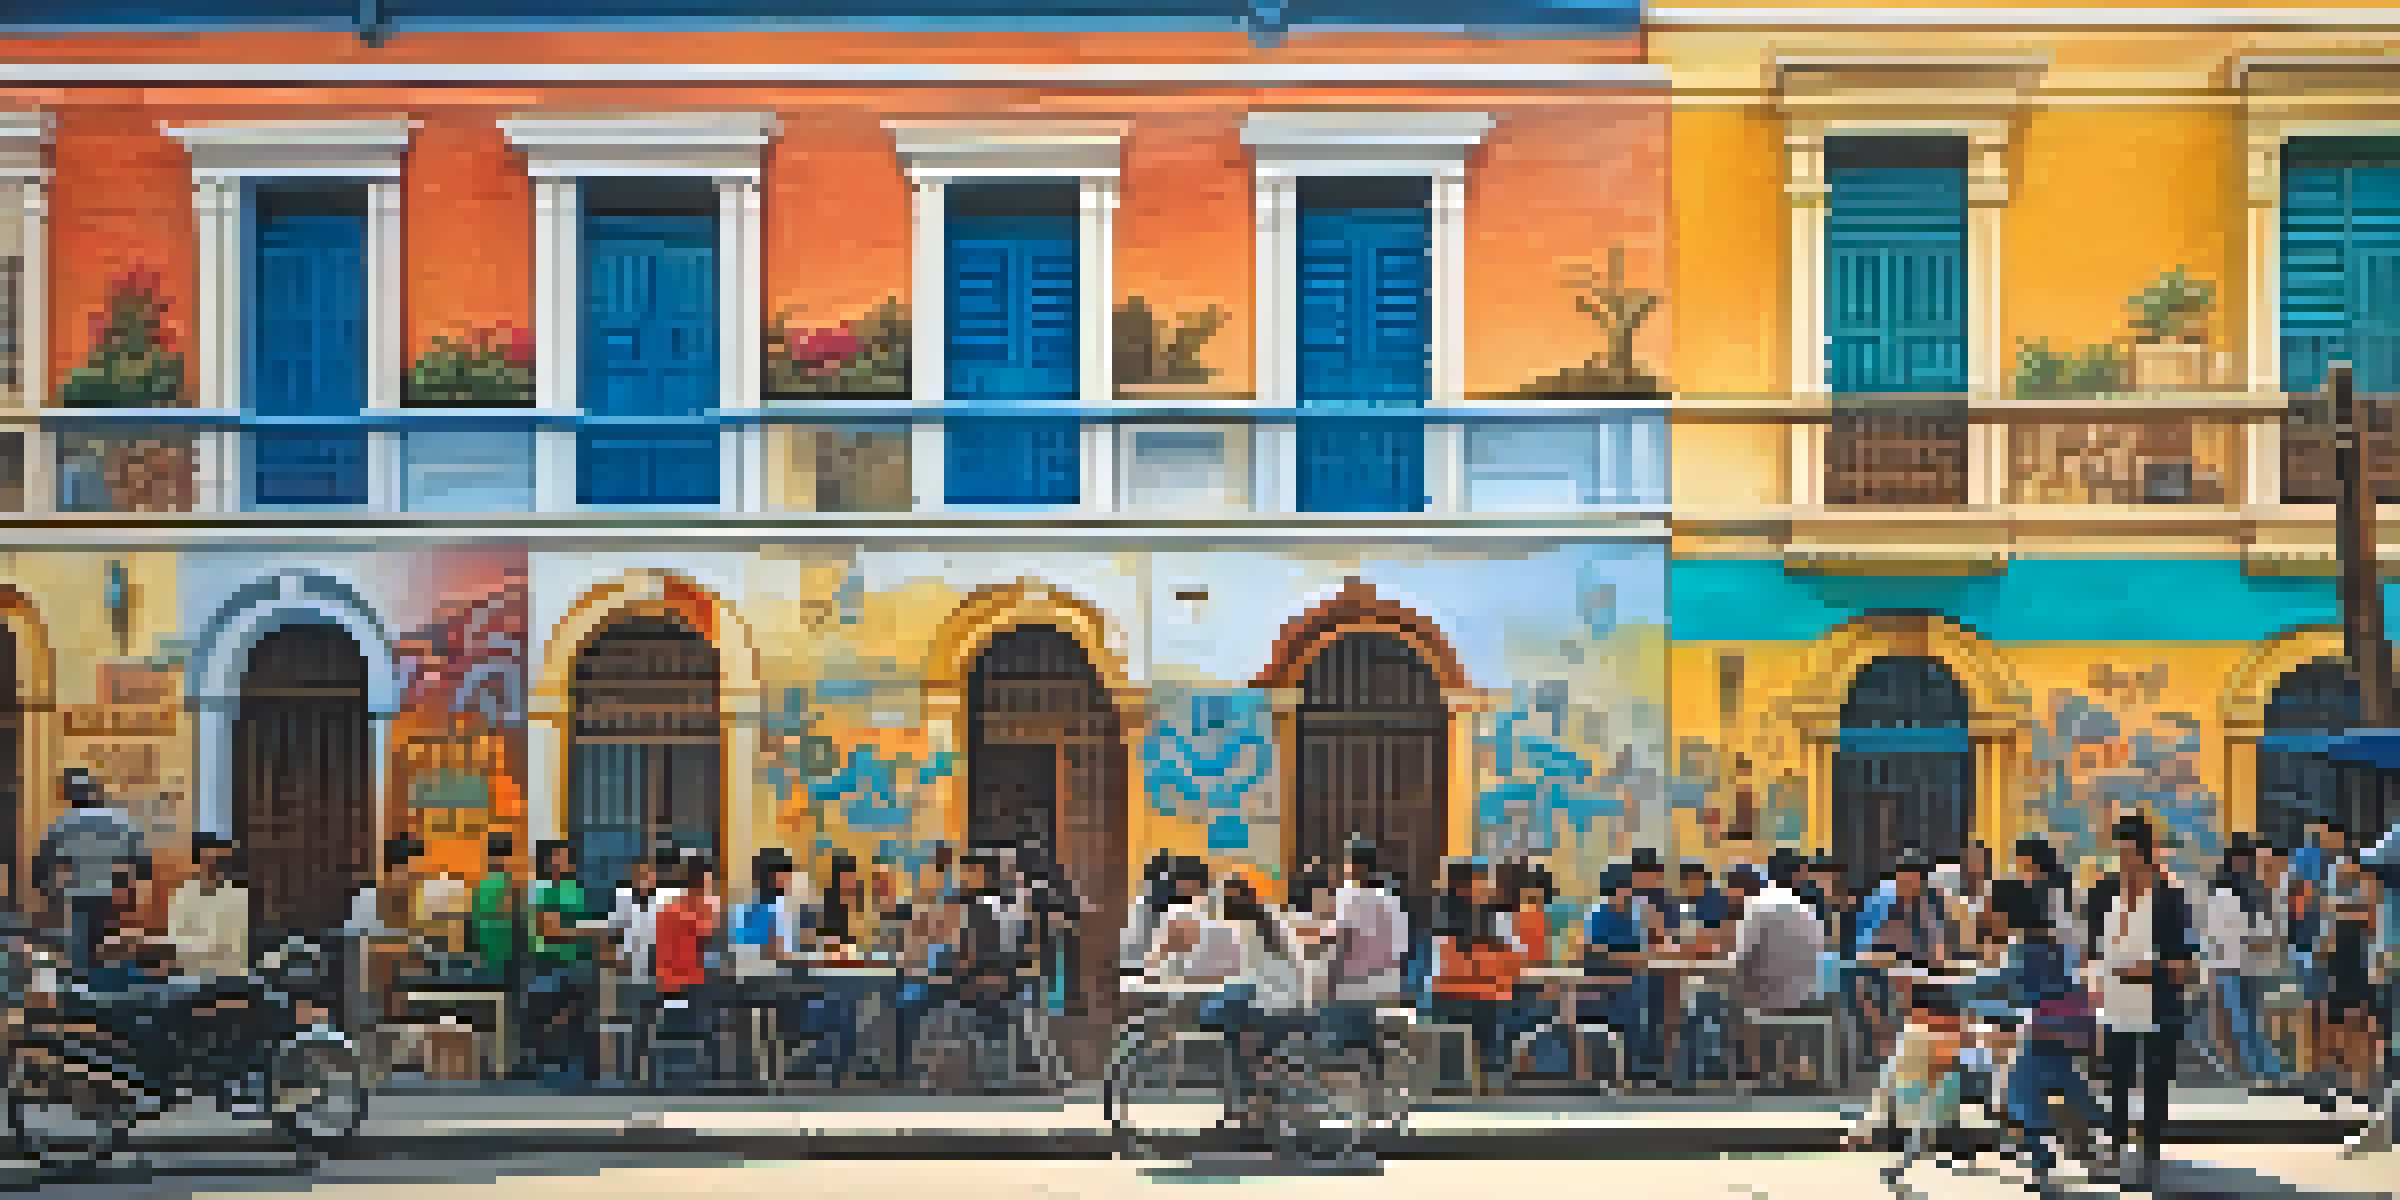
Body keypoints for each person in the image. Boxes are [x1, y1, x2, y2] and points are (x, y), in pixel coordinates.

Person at [2083, 813, 2200, 1191]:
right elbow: (2091, 949)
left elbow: (2185, 959)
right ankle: (2117, 1144)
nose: (2126, 862)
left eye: (2133, 854)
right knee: (2116, 1078)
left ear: (2148, 854)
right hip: (2114, 1001)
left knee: (2155, 1078)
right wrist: (2093, 989)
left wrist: (2151, 968)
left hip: (2158, 1000)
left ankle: (2150, 1147)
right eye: (2120, 853)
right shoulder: (2103, 891)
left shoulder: (2170, 896)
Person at [32, 768, 151, 972]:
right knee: (107, 945)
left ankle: (80, 982)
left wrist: (47, 891)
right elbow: (141, 860)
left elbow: (42, 864)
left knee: (80, 945)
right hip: (111, 894)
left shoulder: (63, 824)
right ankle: (101, 983)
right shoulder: (118, 821)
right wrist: (134, 885)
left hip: (77, 894)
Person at [1728, 863, 1826, 1086]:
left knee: (1733, 1001)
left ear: (1740, 886)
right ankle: (1792, 1067)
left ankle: (1756, 1071)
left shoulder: (1756, 906)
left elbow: (1741, 956)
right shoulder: (1798, 902)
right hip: (1814, 988)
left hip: (1778, 993)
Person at [2204, 836, 2288, 1090]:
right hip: (2229, 965)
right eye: (2246, 857)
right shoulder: (2224, 892)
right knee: (2242, 1021)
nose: (2248, 863)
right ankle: (2259, 1070)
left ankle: (2264, 1068)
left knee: (2250, 1020)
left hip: (2245, 965)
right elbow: (2223, 934)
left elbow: (2258, 929)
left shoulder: (2248, 890)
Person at [526, 840, 606, 1084]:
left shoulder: (575, 889)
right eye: (559, 857)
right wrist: (589, 931)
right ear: (548, 862)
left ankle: (587, 1067)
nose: (565, 862)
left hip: (580, 962)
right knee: (582, 1000)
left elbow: (580, 925)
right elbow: (550, 930)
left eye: (567, 857)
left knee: (595, 1003)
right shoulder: (543, 890)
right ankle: (547, 1046)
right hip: (552, 963)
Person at [606, 847, 679, 1085]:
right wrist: (617, 959)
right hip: (631, 967)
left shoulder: (667, 898)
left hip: (659, 967)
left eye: (649, 875)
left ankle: (655, 1073)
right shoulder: (623, 898)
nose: (644, 880)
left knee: (657, 1021)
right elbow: (614, 932)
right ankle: (631, 1072)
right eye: (639, 875)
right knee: (631, 1021)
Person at [653, 855, 724, 1084]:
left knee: (675, 1027)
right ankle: (712, 1075)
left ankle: (672, 1074)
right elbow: (710, 940)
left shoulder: (669, 908)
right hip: (692, 982)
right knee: (719, 1013)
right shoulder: (702, 907)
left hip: (667, 983)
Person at [167, 833, 250, 981]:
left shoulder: (238, 895)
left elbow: (234, 949)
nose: (212, 866)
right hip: (189, 977)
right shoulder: (183, 894)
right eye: (207, 860)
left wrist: (198, 946)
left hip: (228, 976)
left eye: (217, 861)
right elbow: (176, 943)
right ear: (198, 861)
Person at [469, 833, 521, 981]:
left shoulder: (481, 885)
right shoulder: (510, 885)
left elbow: (476, 922)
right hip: (506, 956)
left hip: (489, 956)